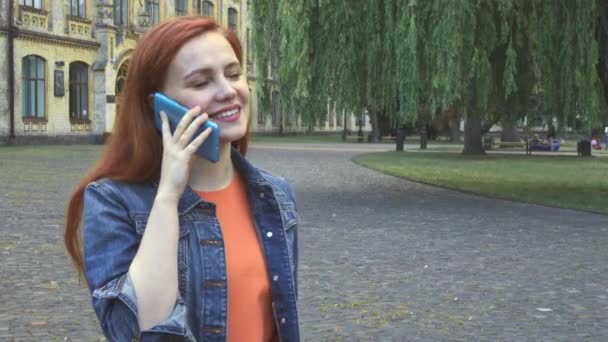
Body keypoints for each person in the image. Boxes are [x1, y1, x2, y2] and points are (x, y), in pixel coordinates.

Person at [64, 16, 300, 341]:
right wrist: (168, 196)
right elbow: (128, 331)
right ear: (159, 106)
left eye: (233, 74)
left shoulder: (275, 194)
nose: (228, 91)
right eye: (201, 82)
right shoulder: (113, 201)